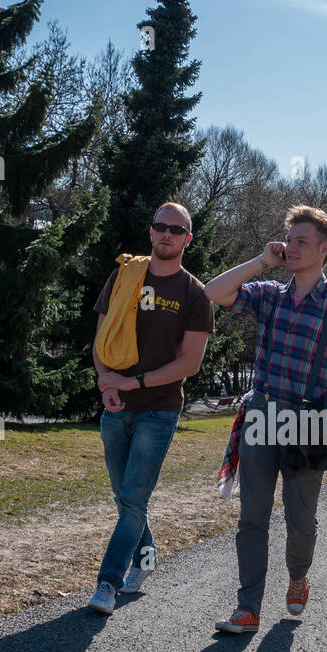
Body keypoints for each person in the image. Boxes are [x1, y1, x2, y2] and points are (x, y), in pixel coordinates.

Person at [203, 205, 327, 635]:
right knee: (252, 516)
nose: (291, 248)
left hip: (307, 425)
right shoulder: (270, 294)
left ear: (324, 250)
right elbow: (213, 293)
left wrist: (325, 425)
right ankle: (247, 608)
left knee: (300, 520)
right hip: (260, 414)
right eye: (288, 240)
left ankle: (297, 577)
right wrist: (262, 261)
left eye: (301, 242)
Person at [87, 203, 214, 614]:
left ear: (187, 239)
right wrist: (107, 382)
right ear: (150, 232)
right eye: (161, 227)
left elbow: (188, 364)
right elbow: (102, 339)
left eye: (176, 230)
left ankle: (108, 583)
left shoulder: (195, 294)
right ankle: (146, 556)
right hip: (116, 404)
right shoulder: (124, 276)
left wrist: (132, 382)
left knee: (134, 498)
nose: (167, 235)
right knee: (123, 496)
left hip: (159, 410)